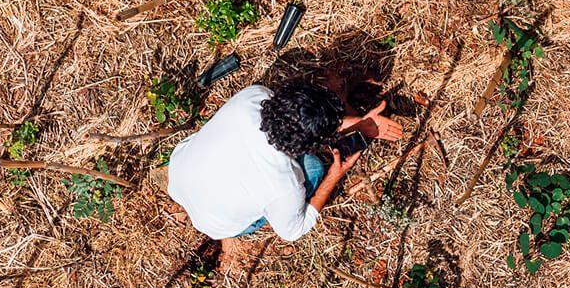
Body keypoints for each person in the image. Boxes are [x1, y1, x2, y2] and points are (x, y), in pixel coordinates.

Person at [166, 76, 403, 259]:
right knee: (312, 170)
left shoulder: (252, 98)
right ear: (308, 144)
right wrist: (333, 175)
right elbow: (293, 231)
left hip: (179, 174)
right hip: (216, 225)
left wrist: (359, 123)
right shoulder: (284, 185)